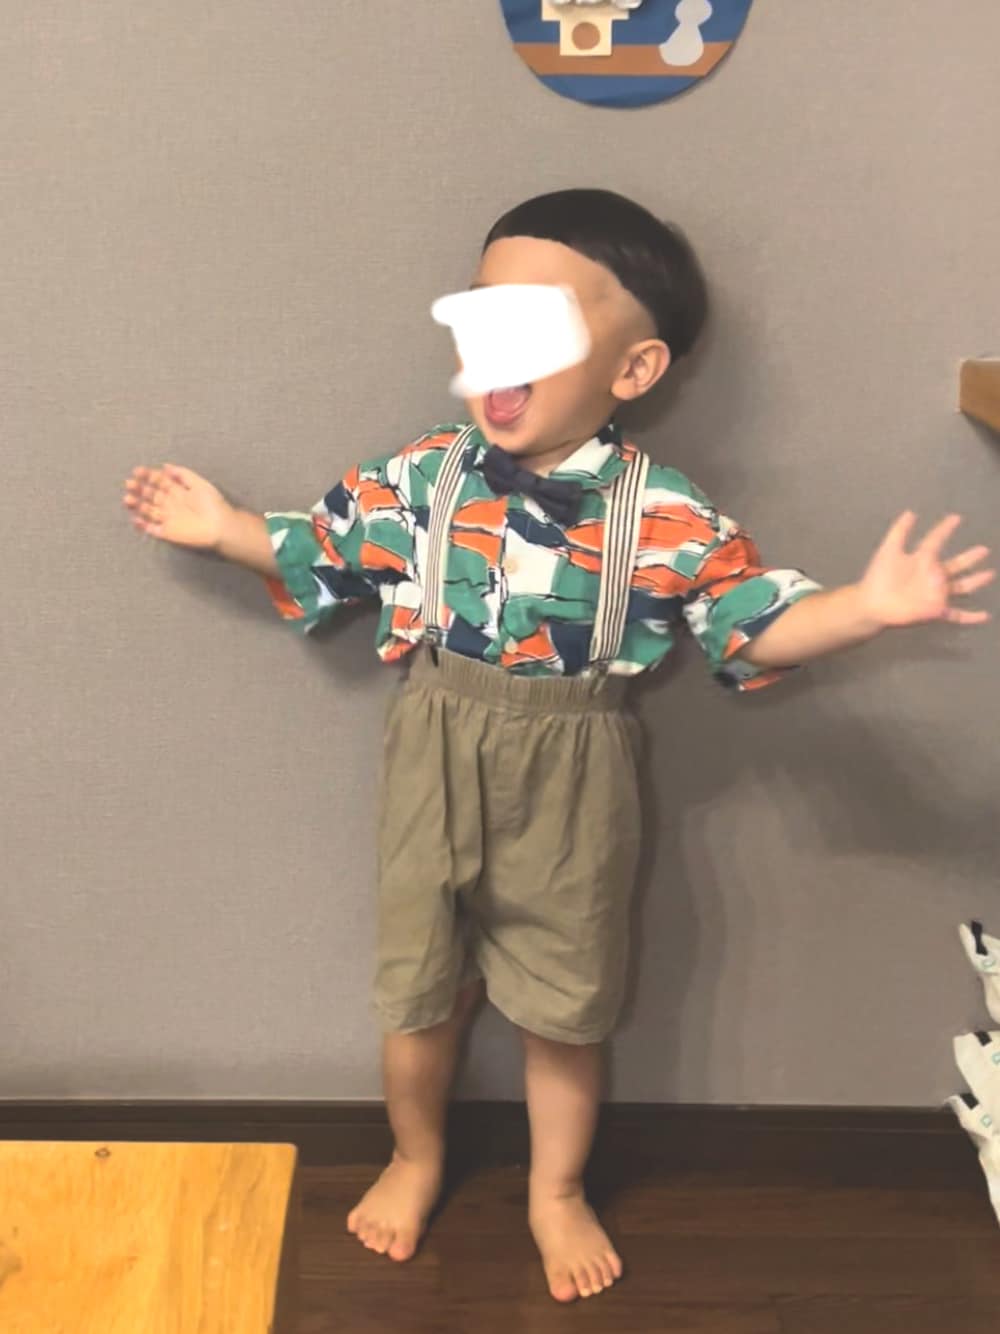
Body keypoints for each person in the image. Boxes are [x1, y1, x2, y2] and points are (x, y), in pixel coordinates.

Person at [122, 188, 994, 1304]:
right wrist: (228, 531)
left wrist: (862, 609)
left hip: (578, 765)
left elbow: (749, 619)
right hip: (436, 741)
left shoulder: (663, 511)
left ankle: (557, 1187)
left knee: (565, 999)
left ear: (633, 368)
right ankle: (415, 1155)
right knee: (417, 989)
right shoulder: (425, 473)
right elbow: (330, 548)